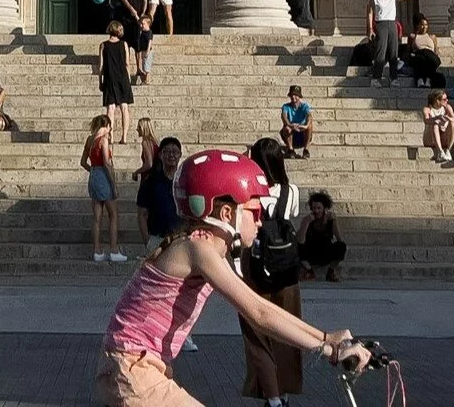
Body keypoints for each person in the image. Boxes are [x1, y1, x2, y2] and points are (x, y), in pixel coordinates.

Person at [93, 148, 372, 407]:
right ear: (227, 214)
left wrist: (329, 339)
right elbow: (259, 314)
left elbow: (262, 307)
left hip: (136, 367)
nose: (261, 221)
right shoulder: (197, 248)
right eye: (255, 212)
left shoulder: (203, 247)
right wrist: (328, 348)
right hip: (132, 370)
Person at [239, 139, 311, 407]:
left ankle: (271, 397)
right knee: (287, 329)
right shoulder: (291, 190)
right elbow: (290, 216)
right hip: (285, 266)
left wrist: (244, 162)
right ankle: (284, 390)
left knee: (256, 332)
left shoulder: (251, 191)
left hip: (256, 264)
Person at [86, 116, 125, 263]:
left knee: (97, 217)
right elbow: (106, 163)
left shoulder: (90, 140)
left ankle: (97, 250)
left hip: (94, 175)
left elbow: (83, 161)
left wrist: (92, 171)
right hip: (103, 176)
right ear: (107, 125)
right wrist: (114, 185)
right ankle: (114, 250)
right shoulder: (103, 140)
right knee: (113, 215)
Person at [136, 136, 184, 250]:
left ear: (180, 155)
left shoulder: (185, 181)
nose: (171, 155)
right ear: (160, 155)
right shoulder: (150, 181)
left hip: (181, 239)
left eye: (175, 152)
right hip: (157, 239)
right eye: (167, 151)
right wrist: (147, 240)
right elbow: (142, 214)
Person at [365, 0, 412, 85]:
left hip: (392, 24)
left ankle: (393, 77)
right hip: (381, 24)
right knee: (380, 51)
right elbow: (370, 12)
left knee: (393, 52)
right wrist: (370, 29)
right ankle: (376, 78)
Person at [120, 0, 158, 84]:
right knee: (126, 44)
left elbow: (146, 0)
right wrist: (131, 9)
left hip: (138, 20)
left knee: (138, 45)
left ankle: (139, 69)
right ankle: (126, 68)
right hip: (126, 18)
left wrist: (142, 14)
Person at [99, 22, 136, 141]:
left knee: (111, 108)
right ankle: (124, 137)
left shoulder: (103, 45)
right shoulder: (124, 44)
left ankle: (111, 136)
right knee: (124, 107)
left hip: (110, 78)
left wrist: (100, 80)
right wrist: (129, 78)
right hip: (123, 77)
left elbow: (101, 66)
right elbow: (127, 63)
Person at [299, 191, 346, 283]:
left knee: (341, 246)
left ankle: (331, 272)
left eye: (319, 208)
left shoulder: (330, 220)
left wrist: (334, 221)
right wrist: (306, 223)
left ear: (324, 208)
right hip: (310, 253)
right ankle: (309, 271)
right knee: (297, 247)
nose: (316, 211)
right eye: (314, 208)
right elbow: (301, 241)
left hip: (325, 251)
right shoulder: (307, 220)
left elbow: (340, 239)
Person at [403, 20, 447, 89]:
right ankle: (422, 79)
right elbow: (409, 49)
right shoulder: (413, 36)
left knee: (430, 60)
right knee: (422, 59)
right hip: (419, 54)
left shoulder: (432, 37)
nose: (424, 27)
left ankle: (426, 80)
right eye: (422, 24)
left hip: (430, 55)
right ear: (418, 26)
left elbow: (435, 49)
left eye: (426, 25)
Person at [421, 89, 454, 164]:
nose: (446, 100)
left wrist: (447, 119)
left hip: (444, 136)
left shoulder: (447, 107)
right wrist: (437, 118)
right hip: (431, 139)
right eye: (444, 99)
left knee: (453, 124)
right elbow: (426, 120)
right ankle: (440, 151)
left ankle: (448, 150)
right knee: (435, 124)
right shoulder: (427, 109)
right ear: (437, 100)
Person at [279, 86, 314, 158]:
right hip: (290, 134)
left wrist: (306, 125)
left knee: (310, 126)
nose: (293, 97)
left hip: (302, 134)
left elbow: (309, 115)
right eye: (291, 95)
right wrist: (290, 125)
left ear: (299, 96)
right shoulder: (286, 106)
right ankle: (291, 150)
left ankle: (306, 150)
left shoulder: (304, 106)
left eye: (295, 95)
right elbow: (284, 116)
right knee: (287, 128)